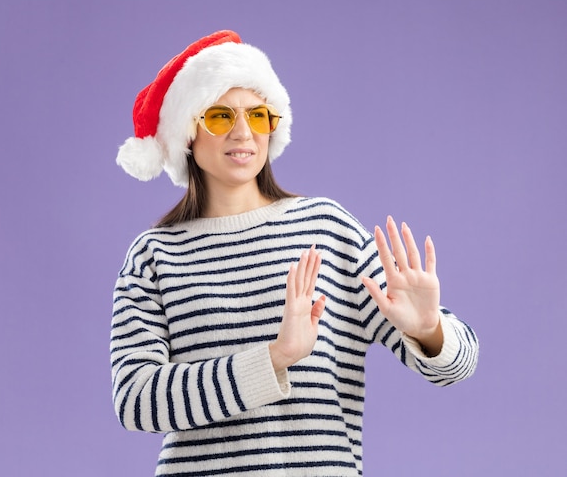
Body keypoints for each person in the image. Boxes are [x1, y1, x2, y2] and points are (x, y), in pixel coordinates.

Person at [111, 30, 479, 477]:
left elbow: (455, 367)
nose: (244, 132)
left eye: (259, 115)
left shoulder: (325, 229)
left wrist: (429, 330)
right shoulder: (155, 256)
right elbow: (135, 400)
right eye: (221, 116)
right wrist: (272, 359)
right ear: (187, 132)